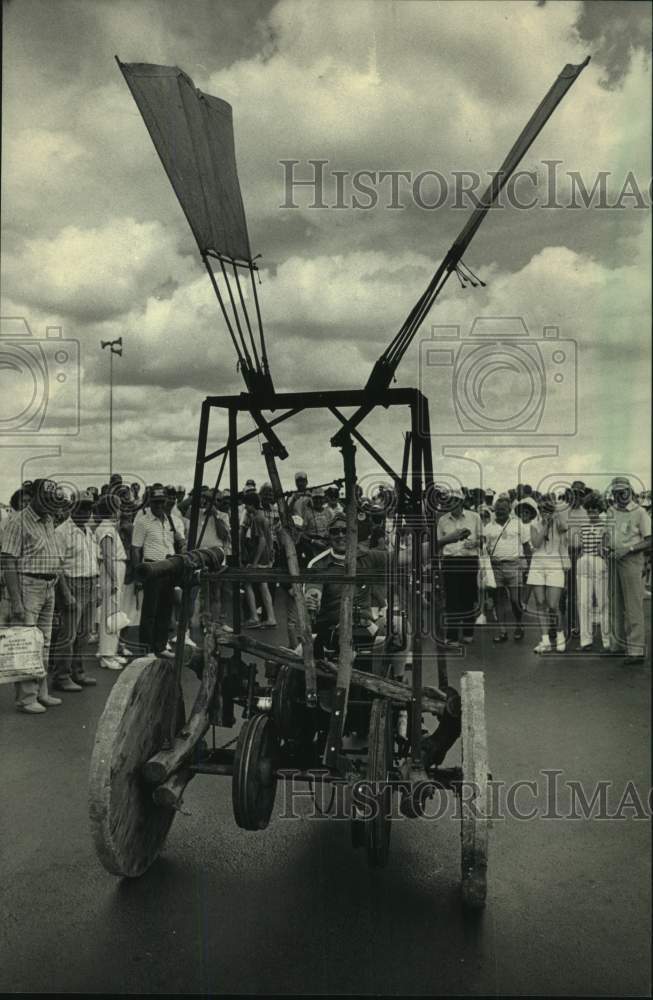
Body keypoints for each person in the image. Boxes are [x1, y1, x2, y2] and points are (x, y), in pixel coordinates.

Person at [1, 479, 64, 713]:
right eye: (45, 499)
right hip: (28, 584)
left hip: (47, 585)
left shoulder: (48, 519)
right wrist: (16, 601)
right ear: (34, 496)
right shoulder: (17, 521)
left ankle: (41, 691)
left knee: (44, 643)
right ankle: (27, 698)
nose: (49, 504)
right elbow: (8, 560)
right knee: (27, 643)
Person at [51, 492, 101, 690]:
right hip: (72, 583)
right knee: (68, 634)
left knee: (85, 634)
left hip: (89, 583)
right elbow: (57, 566)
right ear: (72, 508)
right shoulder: (62, 531)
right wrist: (65, 593)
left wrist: (96, 588)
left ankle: (77, 672)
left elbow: (93, 562)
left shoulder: (88, 532)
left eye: (89, 507)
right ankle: (61, 676)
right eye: (81, 507)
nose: (86, 511)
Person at [605, 476, 651, 664]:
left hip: (631, 560)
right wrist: (604, 545)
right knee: (615, 603)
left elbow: (649, 539)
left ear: (630, 491)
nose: (619, 496)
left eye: (623, 492)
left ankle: (636, 650)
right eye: (616, 492)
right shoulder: (611, 510)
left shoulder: (640, 512)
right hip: (614, 559)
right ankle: (618, 645)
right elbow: (606, 534)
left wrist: (629, 549)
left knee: (633, 606)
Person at [132, 485, 180, 657]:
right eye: (155, 502)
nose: (159, 505)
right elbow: (136, 549)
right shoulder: (142, 521)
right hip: (152, 568)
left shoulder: (169, 520)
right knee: (149, 612)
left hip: (169, 567)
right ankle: (147, 649)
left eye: (161, 501)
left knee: (165, 610)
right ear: (149, 502)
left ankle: (160, 645)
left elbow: (174, 542)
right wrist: (138, 575)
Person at [437, 488, 481, 645]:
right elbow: (439, 543)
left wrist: (475, 542)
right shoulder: (443, 520)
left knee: (468, 597)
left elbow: (483, 539)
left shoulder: (474, 517)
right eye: (448, 501)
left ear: (461, 502)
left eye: (454, 501)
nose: (450, 504)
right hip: (451, 561)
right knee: (452, 599)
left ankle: (468, 632)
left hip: (469, 560)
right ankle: (452, 635)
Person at [527, 495, 569, 653]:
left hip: (555, 565)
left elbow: (565, 528)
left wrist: (554, 517)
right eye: (541, 509)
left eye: (547, 509)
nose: (544, 512)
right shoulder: (534, 524)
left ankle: (560, 636)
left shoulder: (558, 523)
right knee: (540, 603)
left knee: (553, 605)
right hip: (537, 565)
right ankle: (545, 640)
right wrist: (545, 524)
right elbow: (536, 543)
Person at [484, 497, 525, 643]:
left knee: (515, 600)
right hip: (495, 567)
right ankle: (503, 631)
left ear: (509, 510)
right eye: (498, 509)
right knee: (499, 601)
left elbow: (526, 545)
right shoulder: (488, 527)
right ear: (495, 510)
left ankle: (519, 626)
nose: (500, 512)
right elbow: (484, 549)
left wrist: (528, 566)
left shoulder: (518, 524)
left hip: (514, 565)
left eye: (504, 509)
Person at [94, 493, 129, 669]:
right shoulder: (106, 528)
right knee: (111, 613)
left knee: (113, 611)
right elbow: (107, 555)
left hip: (114, 569)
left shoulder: (107, 527)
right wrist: (115, 580)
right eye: (118, 508)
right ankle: (107, 654)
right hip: (112, 570)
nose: (120, 511)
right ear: (113, 510)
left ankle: (109, 651)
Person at [574, 493, 611, 651]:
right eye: (589, 510)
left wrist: (604, 549)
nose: (592, 513)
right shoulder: (583, 527)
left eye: (595, 510)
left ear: (600, 510)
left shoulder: (605, 526)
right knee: (583, 602)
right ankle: (585, 641)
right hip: (584, 561)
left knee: (603, 602)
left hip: (599, 561)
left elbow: (607, 547)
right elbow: (579, 547)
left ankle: (607, 641)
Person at [242, 492, 277, 628]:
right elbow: (269, 540)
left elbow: (261, 541)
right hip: (266, 557)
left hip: (260, 557)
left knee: (247, 583)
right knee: (263, 585)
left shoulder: (257, 518)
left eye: (246, 505)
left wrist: (255, 562)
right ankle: (271, 617)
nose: (245, 508)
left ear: (251, 505)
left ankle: (254, 617)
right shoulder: (263, 516)